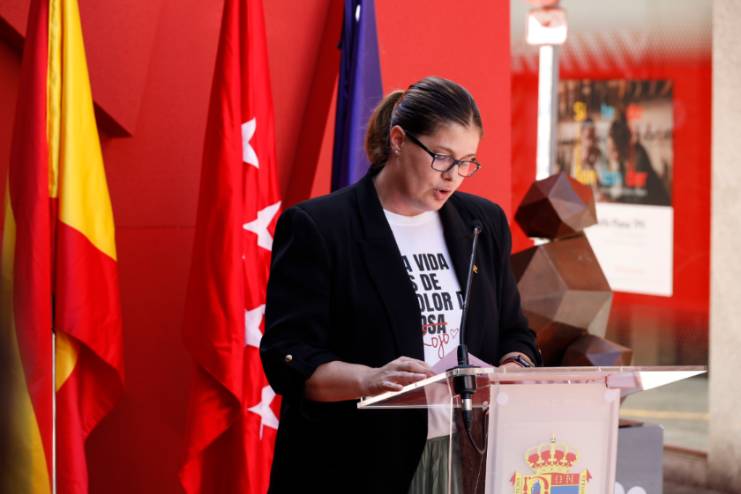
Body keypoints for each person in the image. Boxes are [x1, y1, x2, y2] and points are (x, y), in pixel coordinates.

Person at [260, 76, 541, 493]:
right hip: (357, 462)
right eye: (442, 158)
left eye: (467, 162)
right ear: (397, 140)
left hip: (466, 455)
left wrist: (513, 369)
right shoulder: (321, 227)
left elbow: (514, 332)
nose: (454, 176)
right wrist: (369, 379)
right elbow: (289, 358)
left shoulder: (482, 223)